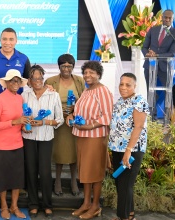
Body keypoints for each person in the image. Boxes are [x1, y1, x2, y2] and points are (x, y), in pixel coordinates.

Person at [67, 61, 113, 219]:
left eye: (91, 72)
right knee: (85, 171)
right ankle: (86, 203)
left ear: (99, 74)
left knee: (95, 171)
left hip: (95, 137)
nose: (88, 75)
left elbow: (107, 115)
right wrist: (71, 116)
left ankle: (95, 206)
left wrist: (90, 126)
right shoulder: (87, 91)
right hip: (82, 136)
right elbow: (79, 110)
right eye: (85, 73)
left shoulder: (103, 91)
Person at [21, 65, 64, 217]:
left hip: (46, 137)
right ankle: (33, 204)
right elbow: (21, 116)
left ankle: (47, 204)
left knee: (45, 172)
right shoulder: (25, 95)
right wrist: (25, 123)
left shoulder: (53, 95)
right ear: (29, 80)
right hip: (29, 137)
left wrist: (44, 122)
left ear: (43, 78)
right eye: (34, 78)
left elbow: (60, 119)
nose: (37, 81)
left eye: (40, 78)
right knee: (31, 171)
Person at [0, 69, 29, 219]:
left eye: (17, 81)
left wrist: (24, 126)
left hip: (17, 144)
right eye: (12, 80)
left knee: (17, 179)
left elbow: (21, 120)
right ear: (6, 83)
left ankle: (14, 206)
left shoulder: (20, 99)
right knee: (3, 179)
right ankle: (4, 207)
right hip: (1, 146)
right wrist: (14, 122)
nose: (15, 83)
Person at [109, 73, 149, 220]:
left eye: (128, 84)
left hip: (131, 150)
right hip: (117, 148)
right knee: (120, 182)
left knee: (125, 185)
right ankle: (130, 214)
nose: (124, 87)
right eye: (121, 84)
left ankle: (122, 217)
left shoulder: (139, 101)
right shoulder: (120, 101)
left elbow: (138, 127)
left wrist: (128, 151)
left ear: (134, 86)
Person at [44, 54, 85, 197]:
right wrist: (59, 114)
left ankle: (74, 181)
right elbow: (45, 101)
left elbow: (83, 102)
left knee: (74, 153)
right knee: (59, 153)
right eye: (63, 66)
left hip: (74, 122)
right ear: (59, 66)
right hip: (58, 122)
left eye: (69, 66)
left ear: (73, 67)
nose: (66, 69)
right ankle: (58, 181)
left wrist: (73, 113)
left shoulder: (80, 81)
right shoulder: (51, 81)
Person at [142, 9, 175, 89]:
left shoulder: (174, 34)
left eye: (169, 18)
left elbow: (172, 53)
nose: (167, 20)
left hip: (165, 67)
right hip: (150, 65)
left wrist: (156, 55)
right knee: (149, 90)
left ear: (173, 19)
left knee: (168, 93)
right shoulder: (153, 30)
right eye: (165, 17)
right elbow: (144, 47)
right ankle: (152, 101)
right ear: (161, 17)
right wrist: (147, 54)